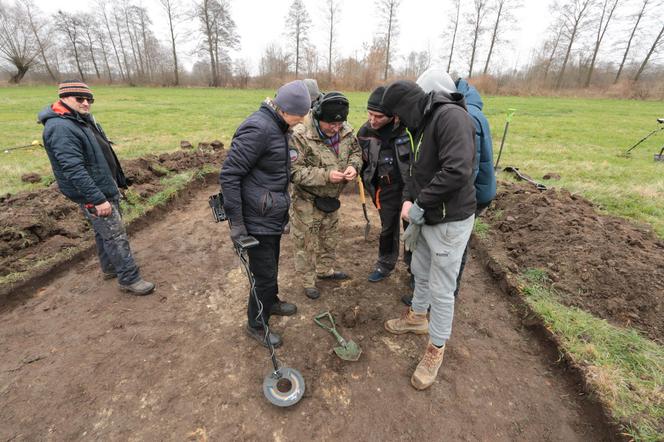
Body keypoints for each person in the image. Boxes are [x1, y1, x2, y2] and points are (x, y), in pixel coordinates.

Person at [380, 80, 476, 390]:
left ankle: (436, 349)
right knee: (419, 270)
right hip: (427, 216)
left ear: (405, 107)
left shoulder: (450, 117)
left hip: (450, 220)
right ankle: (417, 317)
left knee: (441, 288)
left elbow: (458, 170)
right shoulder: (422, 124)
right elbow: (418, 172)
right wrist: (409, 199)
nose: (398, 122)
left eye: (396, 116)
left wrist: (421, 203)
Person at [38, 80, 155, 296]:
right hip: (94, 193)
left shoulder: (80, 120)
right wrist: (98, 199)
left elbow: (102, 154)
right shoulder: (61, 128)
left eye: (89, 99)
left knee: (105, 233)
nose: (85, 103)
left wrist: (117, 182)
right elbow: (74, 169)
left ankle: (110, 267)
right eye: (79, 99)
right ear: (64, 98)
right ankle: (129, 278)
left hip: (104, 186)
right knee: (115, 234)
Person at [220, 80, 311, 348]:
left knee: (271, 267)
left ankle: (270, 303)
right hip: (255, 220)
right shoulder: (258, 129)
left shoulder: (278, 126)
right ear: (286, 109)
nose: (302, 120)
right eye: (300, 114)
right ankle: (256, 324)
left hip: (270, 215)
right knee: (264, 275)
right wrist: (237, 224)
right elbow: (229, 175)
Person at [400, 69, 496, 305]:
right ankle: (427, 297)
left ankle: (444, 296)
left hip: (465, 198)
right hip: (451, 195)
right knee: (441, 254)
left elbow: (464, 171)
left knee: (452, 253)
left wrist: (429, 204)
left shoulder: (458, 116)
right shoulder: (449, 110)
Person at [289, 91, 362, 300]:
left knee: (329, 238)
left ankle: (325, 271)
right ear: (318, 116)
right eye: (330, 124)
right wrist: (326, 175)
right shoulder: (300, 135)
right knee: (305, 243)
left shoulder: (346, 131)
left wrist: (353, 167)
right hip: (306, 200)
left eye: (339, 124)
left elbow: (356, 153)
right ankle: (308, 281)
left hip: (331, 200)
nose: (335, 128)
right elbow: (293, 171)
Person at [357, 86, 412, 282]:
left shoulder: (408, 130)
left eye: (378, 116)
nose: (372, 120)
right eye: (370, 114)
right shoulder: (364, 132)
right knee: (388, 228)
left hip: (409, 189)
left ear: (392, 115)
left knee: (412, 230)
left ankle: (415, 270)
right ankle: (385, 264)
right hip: (384, 189)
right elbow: (358, 159)